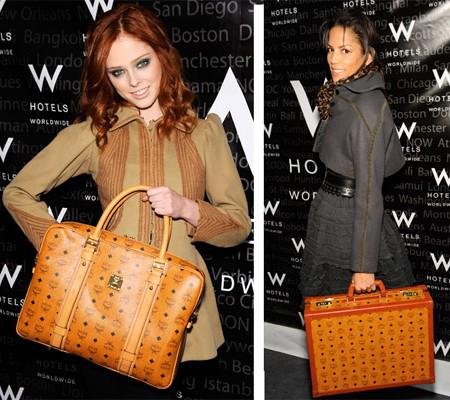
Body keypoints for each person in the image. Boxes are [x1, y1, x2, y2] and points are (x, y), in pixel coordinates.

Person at [2, 3, 251, 397]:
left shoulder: (203, 134)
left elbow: (238, 226)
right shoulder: (95, 134)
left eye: (142, 63)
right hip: (105, 305)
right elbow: (17, 192)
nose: (133, 82)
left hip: (172, 311)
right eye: (117, 72)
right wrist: (64, 253)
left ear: (163, 55)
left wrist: (187, 208)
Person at [300, 8, 415, 298]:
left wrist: (364, 267)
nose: (333, 59)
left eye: (345, 50)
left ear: (368, 55)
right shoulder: (343, 91)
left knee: (364, 317)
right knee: (329, 314)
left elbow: (369, 190)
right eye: (330, 49)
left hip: (352, 219)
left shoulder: (368, 106)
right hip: (329, 210)